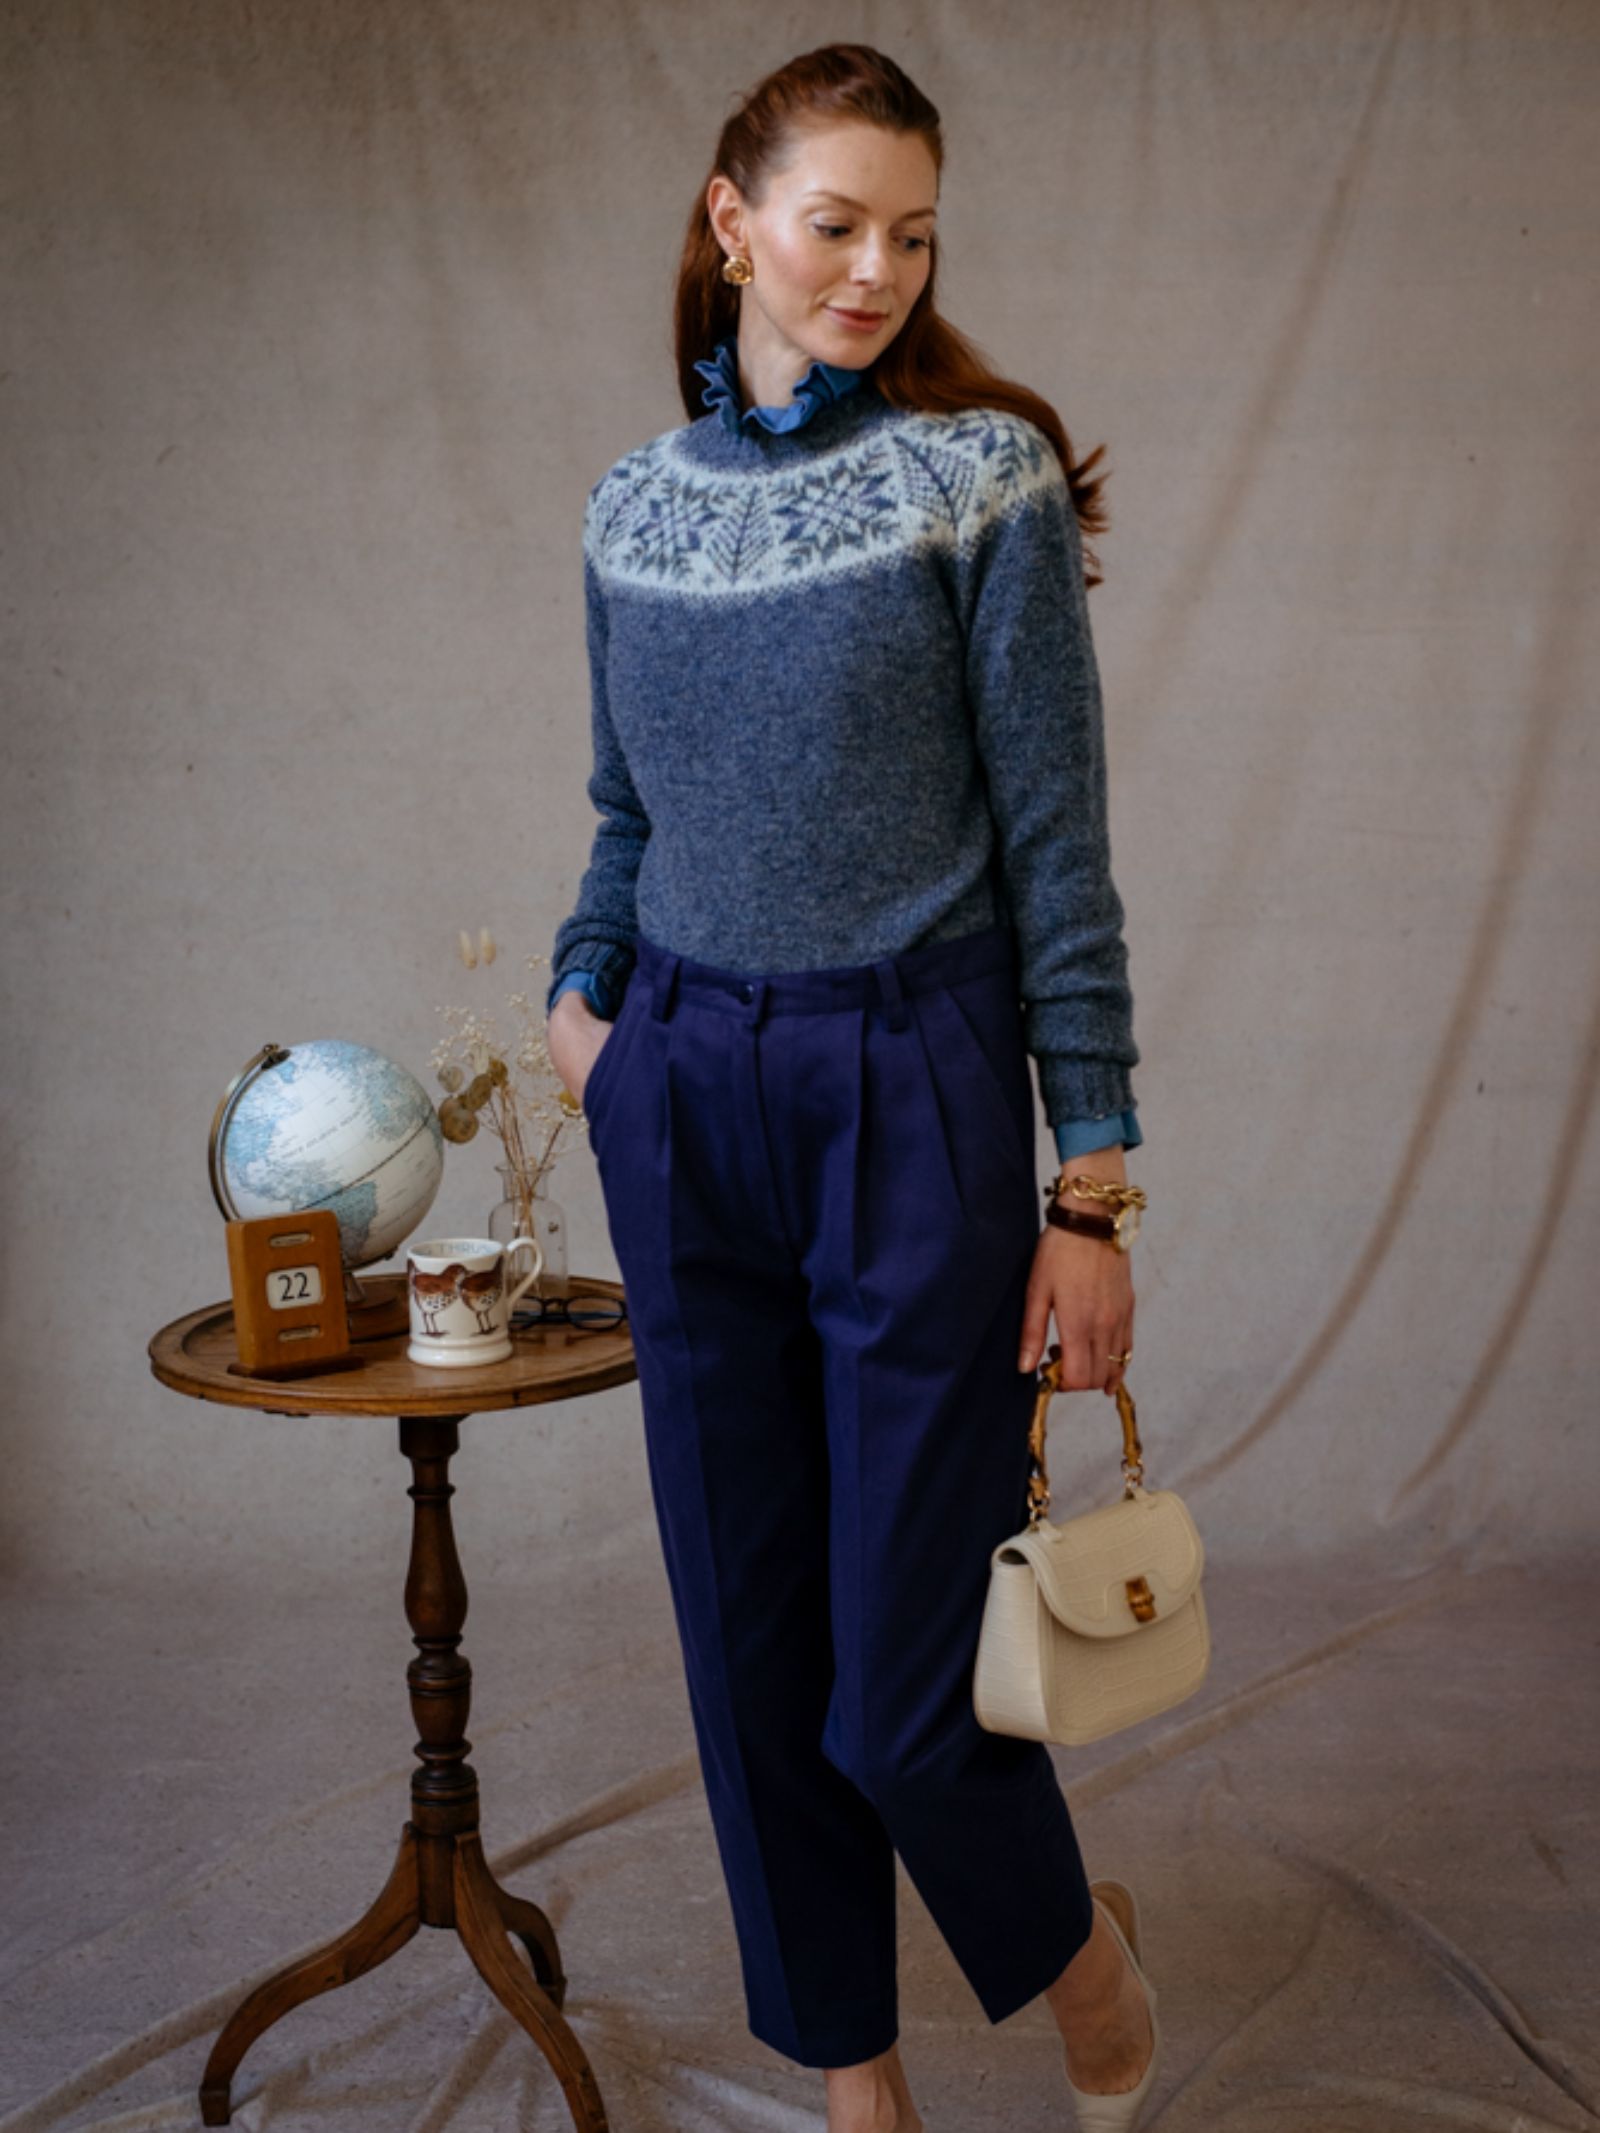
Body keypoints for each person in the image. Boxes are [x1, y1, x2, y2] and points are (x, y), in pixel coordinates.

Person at [545, 42, 1159, 2133]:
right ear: (733, 223)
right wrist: (582, 999)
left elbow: (1055, 845)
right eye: (836, 223)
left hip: (914, 1092)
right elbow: (625, 815)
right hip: (684, 1099)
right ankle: (855, 2084)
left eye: (913, 232)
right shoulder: (628, 507)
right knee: (747, 1647)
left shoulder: (970, 479)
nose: (877, 267)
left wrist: (1090, 1190)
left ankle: (1080, 1962)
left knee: (900, 1691)